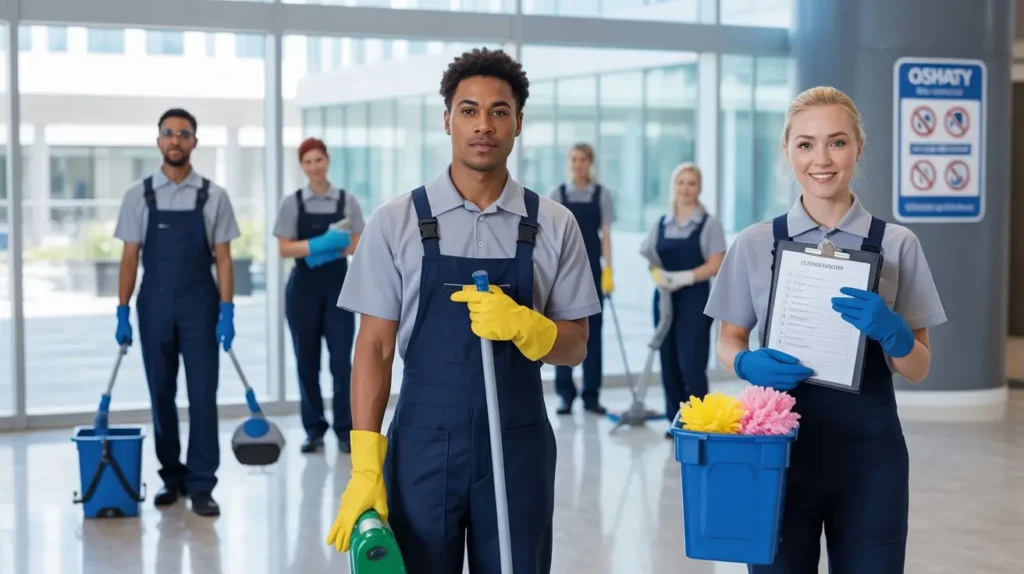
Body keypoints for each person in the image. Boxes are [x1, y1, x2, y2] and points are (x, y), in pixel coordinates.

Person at [324, 47, 600, 573]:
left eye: (499, 111)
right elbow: (375, 346)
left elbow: (576, 346)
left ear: (518, 122)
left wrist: (530, 327)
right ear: (447, 119)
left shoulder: (555, 224)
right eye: (469, 110)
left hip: (518, 442)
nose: (483, 125)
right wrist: (365, 463)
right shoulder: (396, 220)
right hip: (423, 443)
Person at [703, 86, 946, 573]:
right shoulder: (755, 243)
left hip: (870, 456)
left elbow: (918, 366)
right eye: (806, 144)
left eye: (837, 142)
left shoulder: (898, 244)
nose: (822, 159)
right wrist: (746, 360)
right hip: (777, 451)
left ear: (859, 147)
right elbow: (728, 341)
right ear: (788, 150)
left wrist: (895, 333)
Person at [113, 108, 240, 517]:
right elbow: (130, 257)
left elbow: (223, 258)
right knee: (161, 394)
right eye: (168, 133)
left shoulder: (214, 195)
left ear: (194, 142)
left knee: (203, 396)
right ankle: (172, 477)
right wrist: (122, 310)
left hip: (200, 306)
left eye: (183, 134)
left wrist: (227, 310)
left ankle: (202, 483)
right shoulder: (138, 195)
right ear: (158, 140)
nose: (175, 140)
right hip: (154, 306)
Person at [273, 137, 364, 454]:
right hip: (303, 288)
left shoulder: (347, 201)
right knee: (306, 362)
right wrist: (319, 245)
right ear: (302, 166)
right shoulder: (292, 203)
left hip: (339, 284)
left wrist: (332, 248)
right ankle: (313, 430)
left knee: (341, 363)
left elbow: (357, 243)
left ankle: (344, 429)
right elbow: (284, 247)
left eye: (318, 160)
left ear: (327, 161)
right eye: (307, 162)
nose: (314, 167)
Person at [639, 162, 726, 437]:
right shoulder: (661, 223)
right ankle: (675, 421)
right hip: (664, 300)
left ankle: (698, 420)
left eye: (691, 183)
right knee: (669, 361)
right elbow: (650, 257)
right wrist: (659, 277)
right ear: (673, 187)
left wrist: (685, 277)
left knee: (691, 361)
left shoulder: (708, 223)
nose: (686, 188)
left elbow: (717, 262)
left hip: (696, 299)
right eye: (681, 182)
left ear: (699, 188)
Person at [548, 142, 615, 415]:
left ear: (590, 163)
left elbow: (606, 234)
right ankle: (565, 395)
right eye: (574, 159)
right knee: (563, 331)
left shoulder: (601, 195)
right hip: (563, 272)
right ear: (569, 163)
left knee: (593, 334)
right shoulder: (557, 194)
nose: (578, 164)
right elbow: (550, 237)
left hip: (593, 273)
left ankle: (591, 395)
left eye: (583, 159)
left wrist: (609, 270)